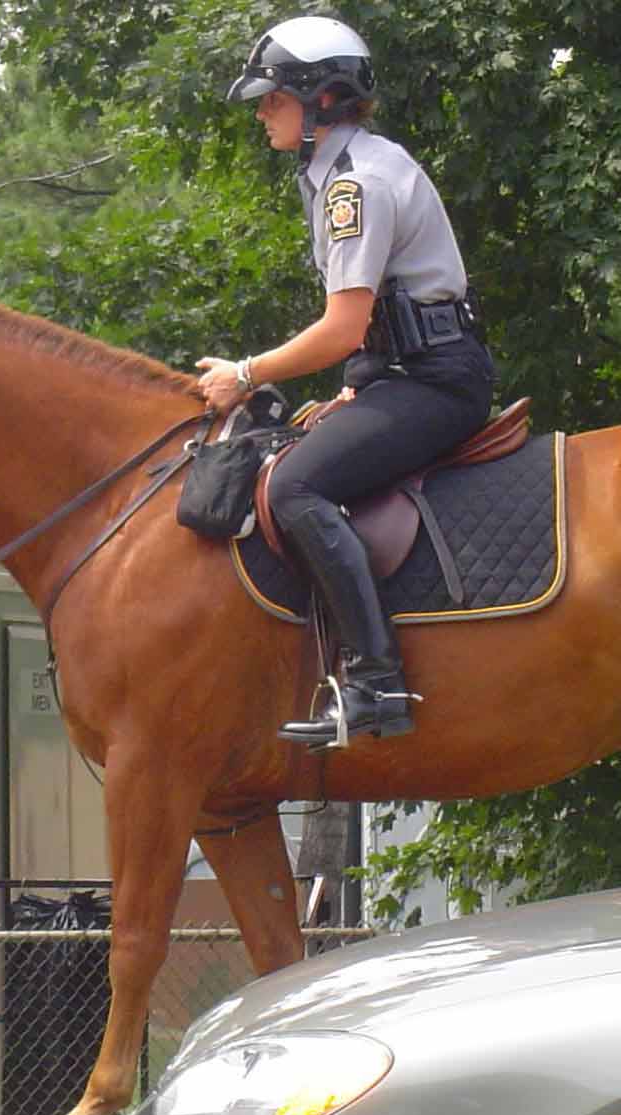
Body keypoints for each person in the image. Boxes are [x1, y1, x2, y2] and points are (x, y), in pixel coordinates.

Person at [196, 15, 495, 748]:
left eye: (272, 99)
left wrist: (245, 372)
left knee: (294, 486)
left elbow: (342, 328)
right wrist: (360, 388)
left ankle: (376, 682)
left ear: (320, 99)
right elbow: (381, 323)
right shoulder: (342, 169)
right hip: (407, 373)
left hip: (438, 381)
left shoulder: (354, 185)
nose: (262, 112)